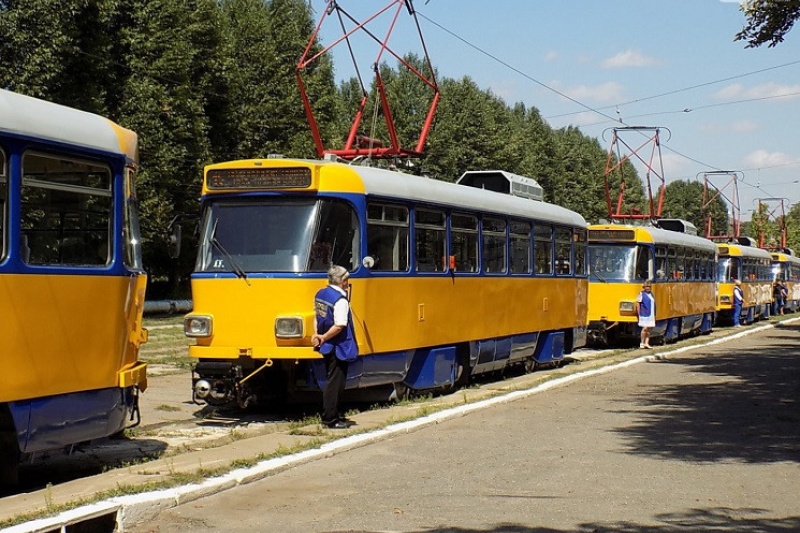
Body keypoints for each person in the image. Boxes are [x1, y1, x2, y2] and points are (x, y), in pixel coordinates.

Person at [311, 265, 358, 429]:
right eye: (347, 280)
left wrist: (317, 334)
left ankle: (334, 414)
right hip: (338, 347)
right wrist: (323, 337)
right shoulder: (340, 300)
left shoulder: (320, 294)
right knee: (335, 383)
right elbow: (339, 325)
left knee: (332, 380)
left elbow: (317, 316)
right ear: (343, 281)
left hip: (326, 346)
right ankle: (330, 418)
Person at [635, 280, 655, 349]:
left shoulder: (651, 294)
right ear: (644, 287)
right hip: (644, 314)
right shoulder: (641, 293)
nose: (648, 288)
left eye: (649, 286)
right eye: (647, 286)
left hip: (651, 314)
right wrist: (639, 313)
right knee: (645, 328)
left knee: (649, 329)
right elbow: (638, 304)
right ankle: (642, 342)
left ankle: (647, 343)